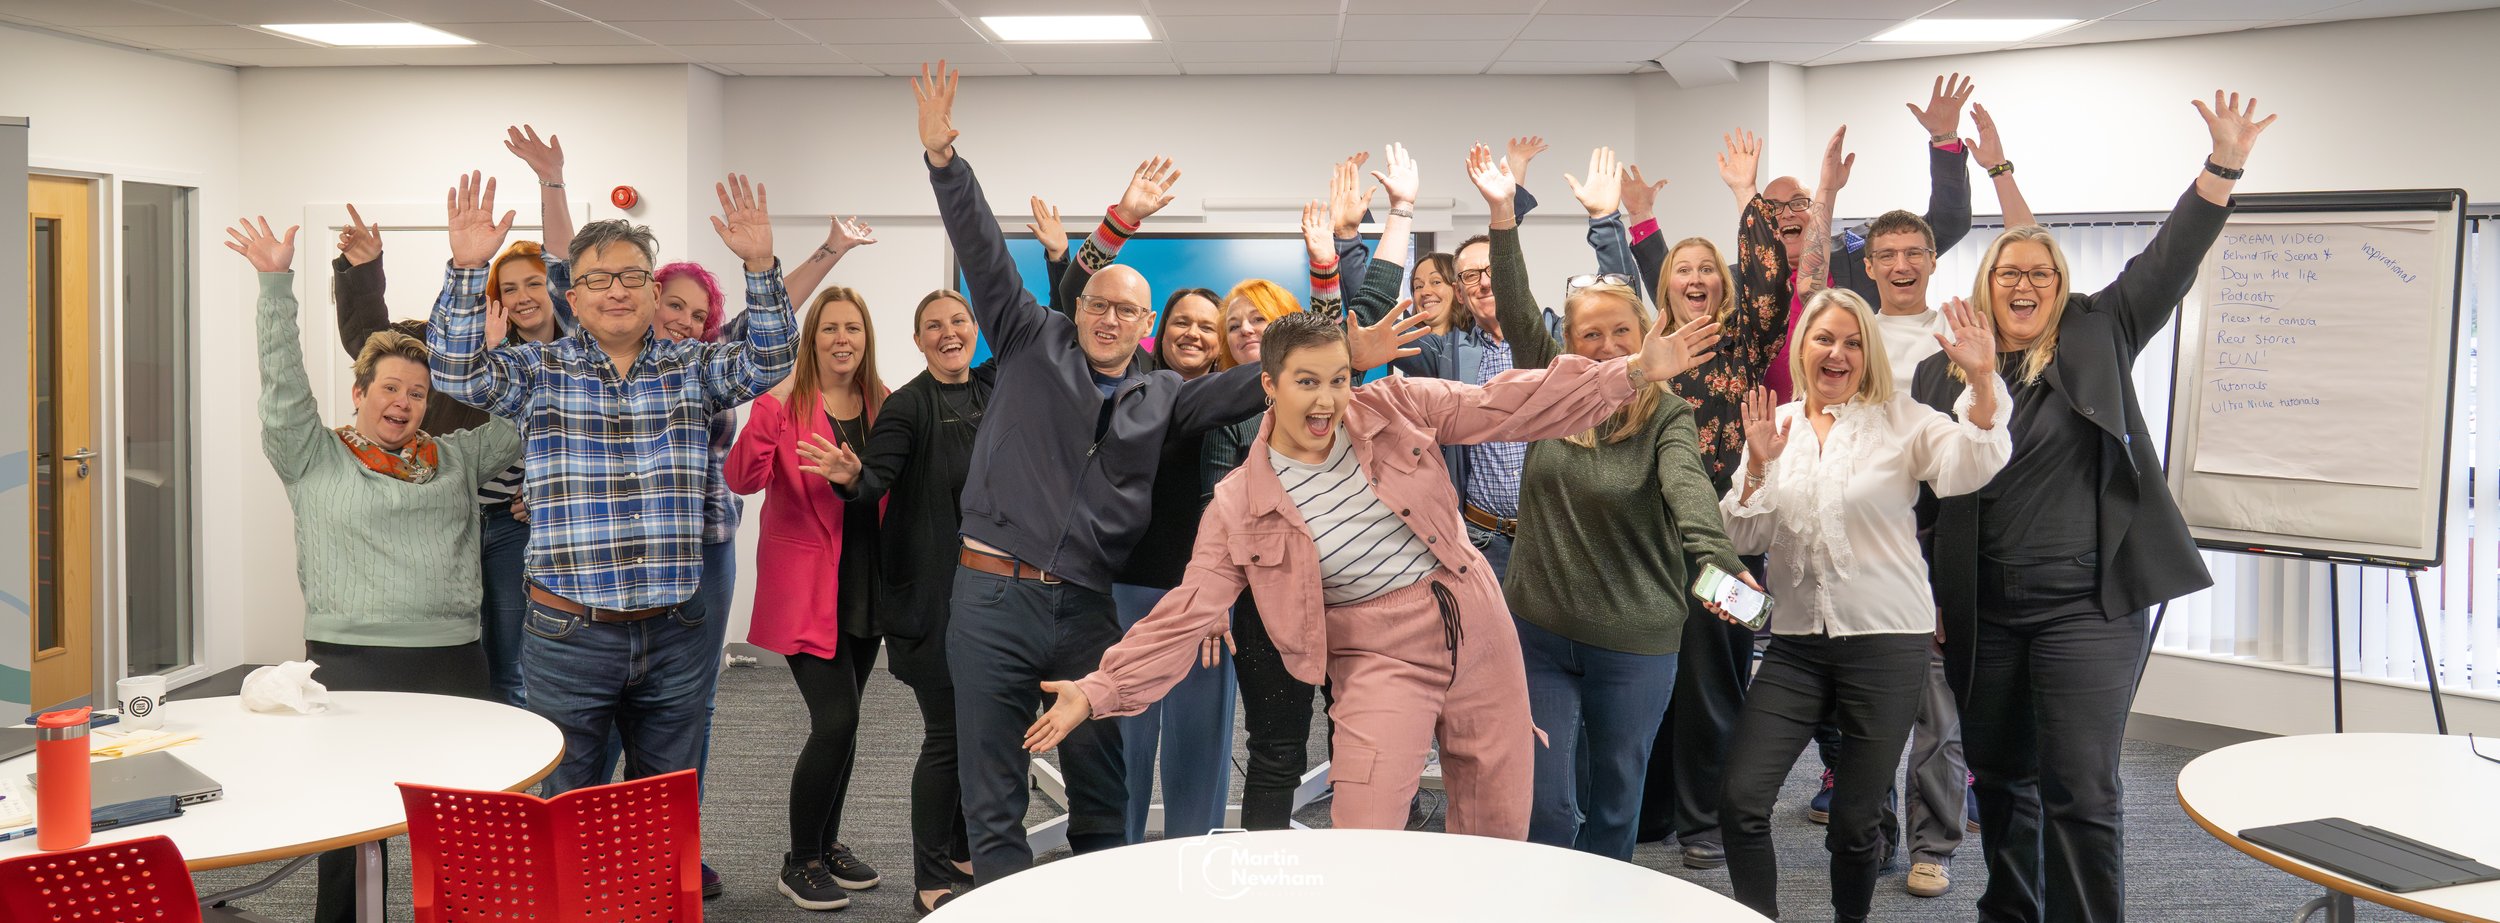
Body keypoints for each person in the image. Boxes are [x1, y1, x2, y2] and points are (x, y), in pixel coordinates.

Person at [1028, 278, 1722, 838]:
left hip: (1475, 619)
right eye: (1306, 383)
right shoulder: (1240, 502)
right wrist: (1098, 689)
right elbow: (1187, 612)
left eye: (1337, 380)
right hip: (1376, 651)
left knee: (1497, 822)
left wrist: (1629, 373)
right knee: (1364, 825)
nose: (1328, 401)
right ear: (1268, 385)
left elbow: (1506, 404)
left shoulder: (1393, 404)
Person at [908, 62, 1363, 883]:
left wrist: (1335, 320)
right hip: (990, 595)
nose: (1110, 318)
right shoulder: (1025, 335)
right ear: (1076, 306)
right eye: (1098, 305)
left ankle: (1099, 898)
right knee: (994, 781)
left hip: (1084, 604)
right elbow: (978, 245)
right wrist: (946, 163)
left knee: (1099, 777)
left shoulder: (1166, 396)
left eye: (1128, 310)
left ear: (1145, 324)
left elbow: (1266, 376)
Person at [1913, 90, 2274, 923]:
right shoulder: (1943, 372)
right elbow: (1930, 498)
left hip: (2088, 604)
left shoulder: (2100, 330)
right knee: (2001, 777)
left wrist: (2222, 165)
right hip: (1986, 608)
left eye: (2041, 272)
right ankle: (2011, 910)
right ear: (1987, 283)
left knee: (2081, 783)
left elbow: (2171, 257)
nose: (2025, 282)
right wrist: (1931, 588)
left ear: (2060, 285)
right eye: (2010, 272)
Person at [426, 170, 796, 797]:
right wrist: (467, 270)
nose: (615, 291)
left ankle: (653, 901)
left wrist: (760, 264)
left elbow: (771, 357)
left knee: (664, 803)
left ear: (654, 292)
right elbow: (458, 371)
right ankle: (576, 901)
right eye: (598, 279)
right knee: (568, 797)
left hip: (675, 627)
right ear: (575, 296)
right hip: (569, 634)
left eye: (631, 278)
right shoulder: (538, 370)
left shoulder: (694, 368)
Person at [229, 216, 522, 923]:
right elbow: (282, 382)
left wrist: (499, 357)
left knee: (459, 831)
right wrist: (276, 284)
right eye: (390, 387)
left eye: (417, 393)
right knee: (351, 828)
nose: (403, 403)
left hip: (453, 663)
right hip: (349, 663)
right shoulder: (312, 454)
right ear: (359, 390)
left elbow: (525, 420)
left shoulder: (455, 457)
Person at [1466, 144, 1746, 860]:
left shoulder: (1666, 416)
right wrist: (1503, 217)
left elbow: (1691, 499)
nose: (1605, 345)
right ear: (1568, 341)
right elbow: (1518, 300)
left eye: (1622, 331)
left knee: (1617, 806)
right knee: (1547, 807)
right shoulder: (1551, 391)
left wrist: (1719, 565)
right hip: (1539, 631)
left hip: (1634, 640)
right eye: (1589, 333)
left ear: (1646, 336)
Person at [1715, 288, 2009, 923]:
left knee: (1854, 821)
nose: (1838, 353)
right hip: (1796, 643)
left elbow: (1972, 464)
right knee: (1740, 800)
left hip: (1886, 642)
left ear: (1869, 352)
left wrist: (1983, 380)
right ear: (1803, 348)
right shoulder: (1779, 425)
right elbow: (1744, 536)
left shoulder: (1902, 418)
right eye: (1824, 339)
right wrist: (1760, 466)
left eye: (1852, 342)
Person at [1627, 128, 1820, 870]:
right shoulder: (1642, 354)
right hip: (1647, 541)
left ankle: (1706, 821)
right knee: (1647, 679)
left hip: (1729, 539)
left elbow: (1772, 279)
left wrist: (1747, 196)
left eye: (1710, 268)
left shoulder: (1744, 340)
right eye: (1685, 269)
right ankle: (1651, 813)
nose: (1698, 277)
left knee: (1717, 682)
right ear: (1666, 284)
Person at [817, 289, 987, 914]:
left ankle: (967, 846)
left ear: (976, 329)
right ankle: (930, 874)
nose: (948, 333)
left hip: (993, 598)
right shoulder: (908, 406)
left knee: (985, 732)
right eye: (933, 326)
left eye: (958, 321)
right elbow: (873, 483)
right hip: (931, 604)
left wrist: (1067, 262)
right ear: (917, 341)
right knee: (947, 736)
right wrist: (851, 477)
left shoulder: (992, 389)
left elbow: (1047, 334)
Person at [725, 284, 890, 911]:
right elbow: (742, 480)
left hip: (866, 584)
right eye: (829, 329)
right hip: (807, 588)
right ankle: (801, 860)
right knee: (836, 720)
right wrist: (766, 405)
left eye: (853, 328)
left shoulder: (884, 403)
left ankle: (828, 842)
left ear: (866, 338)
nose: (842, 339)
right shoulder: (783, 407)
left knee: (846, 724)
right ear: (810, 339)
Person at [1106, 285, 1242, 845]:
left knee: (1199, 745)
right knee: (1122, 741)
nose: (1194, 333)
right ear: (1160, 334)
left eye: (1207, 327)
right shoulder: (1129, 392)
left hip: (1204, 603)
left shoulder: (1238, 403)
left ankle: (1193, 875)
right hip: (1127, 590)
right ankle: (1116, 863)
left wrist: (1216, 599)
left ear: (1219, 344)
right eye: (1182, 322)